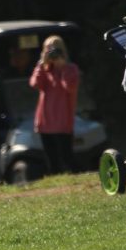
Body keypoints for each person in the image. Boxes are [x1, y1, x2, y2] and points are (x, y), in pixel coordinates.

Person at [29, 35, 80, 174]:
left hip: (63, 120)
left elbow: (70, 87)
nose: (52, 53)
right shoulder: (44, 70)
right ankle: (56, 181)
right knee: (51, 159)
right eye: (48, 50)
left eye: (55, 50)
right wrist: (41, 64)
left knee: (67, 157)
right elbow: (35, 84)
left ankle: (75, 180)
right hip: (45, 121)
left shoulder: (71, 69)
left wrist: (62, 68)